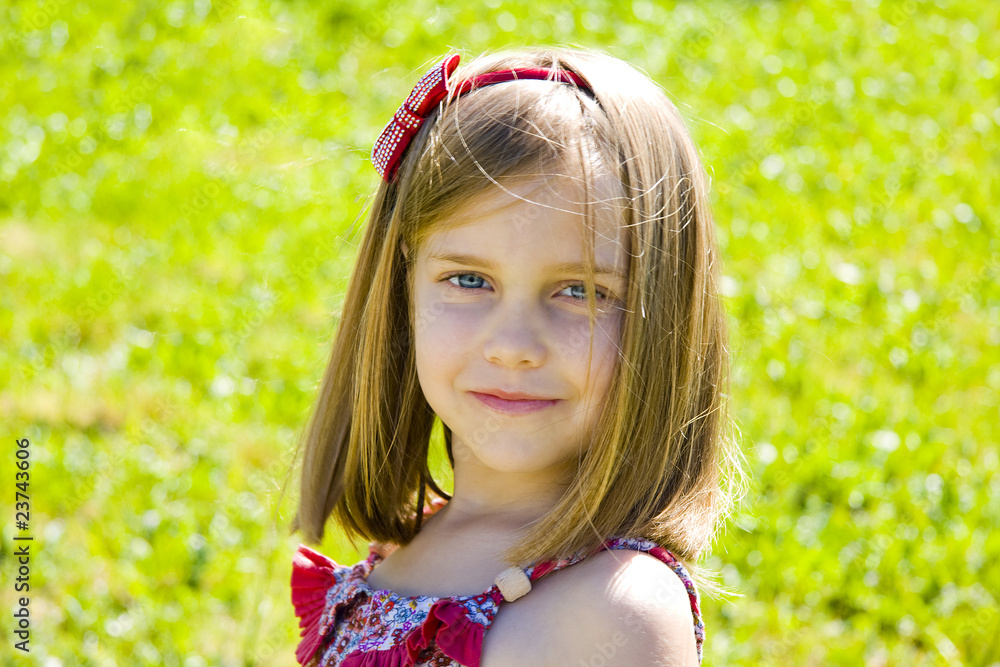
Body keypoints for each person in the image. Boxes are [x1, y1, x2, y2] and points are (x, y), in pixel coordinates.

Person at [289, 47, 744, 667]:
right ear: (400, 295)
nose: (514, 346)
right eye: (470, 280)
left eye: (581, 291)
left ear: (662, 324)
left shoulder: (609, 609)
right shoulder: (406, 547)